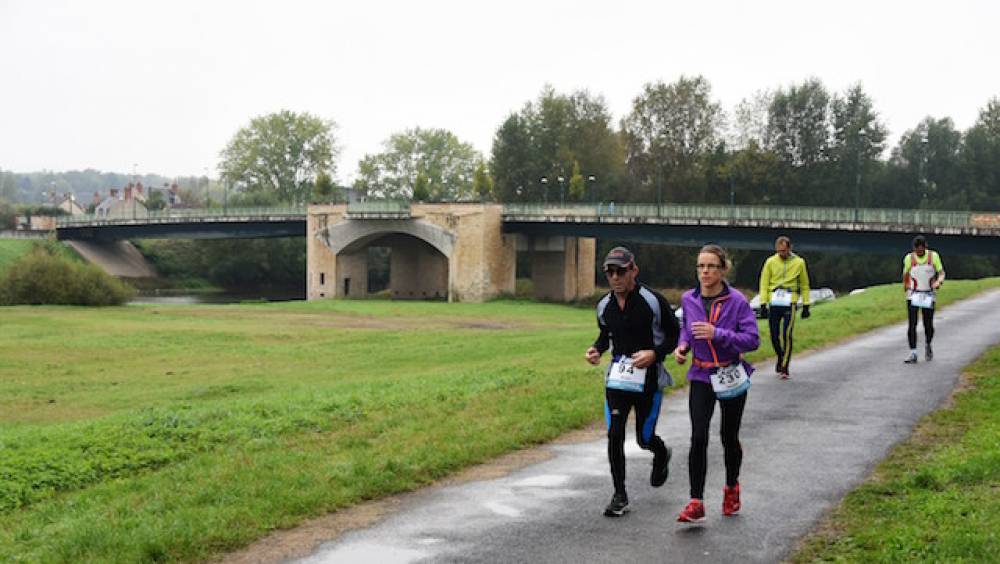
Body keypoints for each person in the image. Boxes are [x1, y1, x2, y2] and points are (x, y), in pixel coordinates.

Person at [586, 246, 680, 517]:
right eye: (610, 272)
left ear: (633, 271)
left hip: (648, 381)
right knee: (614, 434)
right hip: (617, 380)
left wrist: (655, 354)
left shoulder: (653, 301)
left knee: (644, 438)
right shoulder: (604, 305)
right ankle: (619, 494)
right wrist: (596, 349)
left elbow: (675, 335)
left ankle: (660, 453)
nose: (615, 277)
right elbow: (606, 335)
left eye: (620, 271)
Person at [673, 244, 760, 523]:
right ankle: (696, 500)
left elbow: (752, 340)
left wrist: (718, 334)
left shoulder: (738, 301)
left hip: (730, 374)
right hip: (701, 376)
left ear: (723, 269)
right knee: (698, 437)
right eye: (700, 266)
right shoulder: (689, 299)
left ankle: (731, 486)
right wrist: (683, 346)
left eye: (711, 266)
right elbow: (686, 328)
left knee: (728, 437)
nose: (705, 271)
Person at [758, 235, 811, 379]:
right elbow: (763, 283)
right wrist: (763, 303)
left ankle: (785, 367)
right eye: (779, 251)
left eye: (784, 251)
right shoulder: (770, 262)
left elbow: (805, 285)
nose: (781, 254)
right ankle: (780, 356)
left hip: (790, 300)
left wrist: (806, 305)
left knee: (787, 334)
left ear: (789, 248)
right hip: (774, 300)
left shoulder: (799, 263)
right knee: (774, 335)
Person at [903, 235, 945, 363]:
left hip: (928, 294)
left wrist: (939, 282)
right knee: (912, 324)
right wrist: (905, 286)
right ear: (914, 249)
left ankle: (928, 344)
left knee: (928, 324)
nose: (919, 253)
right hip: (914, 294)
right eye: (917, 251)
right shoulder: (909, 258)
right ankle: (913, 352)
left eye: (921, 250)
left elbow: (941, 272)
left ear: (925, 247)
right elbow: (906, 274)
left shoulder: (933, 256)